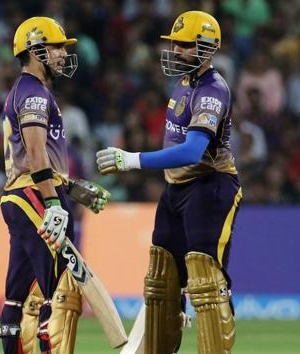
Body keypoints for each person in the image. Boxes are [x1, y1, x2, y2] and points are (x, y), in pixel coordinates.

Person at [96, 11, 240, 354]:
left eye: (184, 45)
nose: (176, 50)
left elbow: (192, 151)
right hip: (175, 190)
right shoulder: (184, 84)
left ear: (206, 49)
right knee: (161, 283)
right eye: (174, 43)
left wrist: (131, 160)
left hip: (210, 188)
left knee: (206, 283)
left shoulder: (212, 91)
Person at [0, 17, 110, 354]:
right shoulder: (33, 93)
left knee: (18, 295)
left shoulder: (29, 91)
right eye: (56, 47)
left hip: (23, 196)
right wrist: (54, 203)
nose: (63, 54)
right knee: (60, 293)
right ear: (35, 50)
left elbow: (40, 156)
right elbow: (33, 153)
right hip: (35, 196)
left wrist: (70, 186)